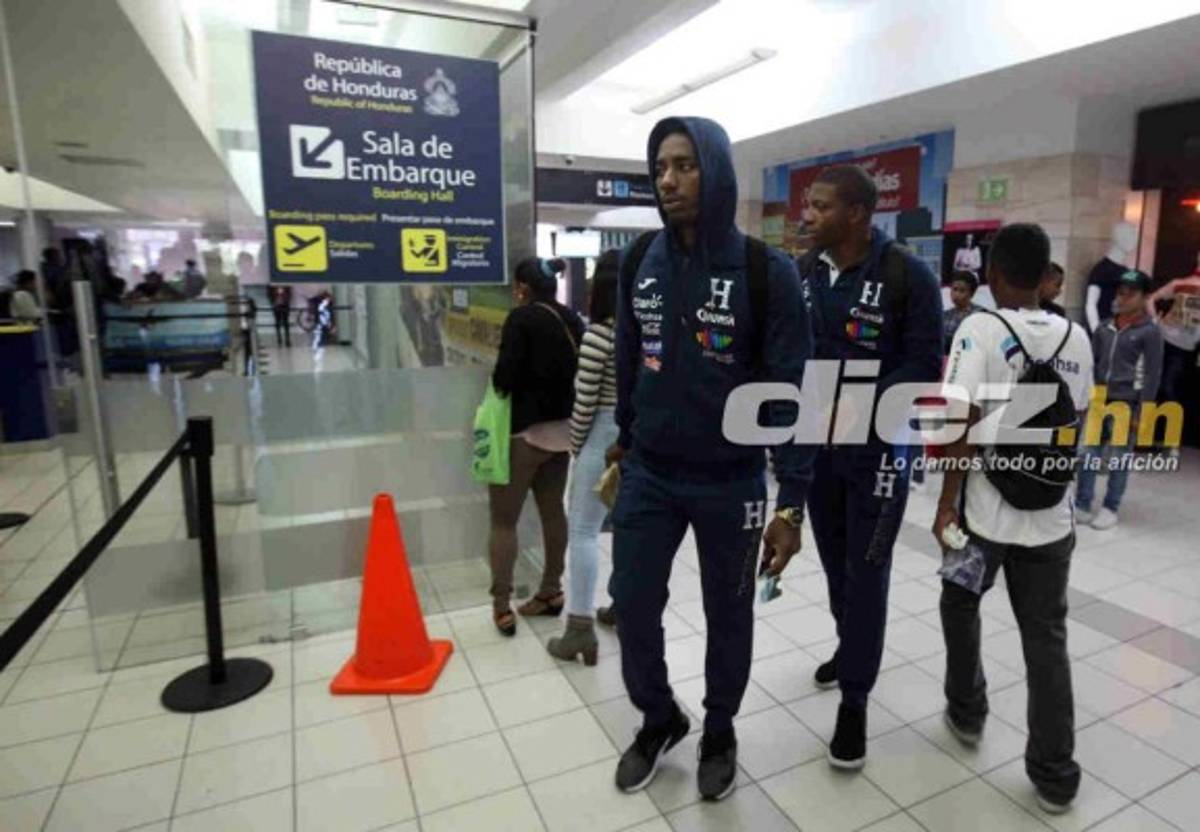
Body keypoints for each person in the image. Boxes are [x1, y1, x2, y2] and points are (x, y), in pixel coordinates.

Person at [608, 116, 813, 802]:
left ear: (716, 171)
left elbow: (794, 398)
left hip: (732, 480)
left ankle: (720, 728)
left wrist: (791, 502)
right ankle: (660, 715)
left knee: (729, 614)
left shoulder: (766, 271)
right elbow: (629, 363)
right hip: (651, 474)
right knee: (632, 601)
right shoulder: (639, 261)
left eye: (685, 165)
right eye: (660, 166)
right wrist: (624, 442)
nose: (668, 179)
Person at [935, 223, 1091, 816]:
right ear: (1047, 274)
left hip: (982, 519)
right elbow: (1074, 419)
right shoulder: (1076, 336)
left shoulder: (979, 327)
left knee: (959, 602)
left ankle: (967, 712)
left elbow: (958, 421)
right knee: (1046, 639)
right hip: (1053, 521)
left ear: (994, 274)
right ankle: (1055, 774)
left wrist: (948, 502)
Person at [796, 164, 942, 770]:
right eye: (808, 204)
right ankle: (847, 645)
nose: (806, 215)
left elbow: (924, 365)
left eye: (820, 206)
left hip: (878, 457)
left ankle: (854, 699)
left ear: (857, 214)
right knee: (835, 566)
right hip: (816, 453)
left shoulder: (908, 275)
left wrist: (860, 403)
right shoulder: (800, 274)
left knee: (868, 572)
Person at [488, 257, 583, 637]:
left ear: (523, 288)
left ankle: (501, 607)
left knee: (503, 521)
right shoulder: (572, 319)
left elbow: (503, 378)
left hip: (523, 437)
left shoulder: (521, 319)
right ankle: (550, 592)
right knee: (552, 514)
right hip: (561, 435)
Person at [547, 249, 621, 665]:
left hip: (603, 433)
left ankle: (579, 628)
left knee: (584, 531)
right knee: (628, 527)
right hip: (638, 437)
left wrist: (577, 446)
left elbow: (585, 400)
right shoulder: (649, 331)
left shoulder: (600, 335)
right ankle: (623, 607)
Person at [1075, 269, 1164, 529]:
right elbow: (1092, 365)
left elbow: (1152, 374)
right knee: (1087, 454)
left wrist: (1143, 413)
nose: (1123, 298)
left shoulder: (1150, 332)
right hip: (1100, 400)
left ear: (1144, 297)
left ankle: (1110, 506)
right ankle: (1082, 504)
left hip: (1128, 404)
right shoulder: (1104, 327)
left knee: (1119, 457)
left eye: (1131, 293)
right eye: (1120, 292)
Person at [1145, 253, 1200, 409]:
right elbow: (1150, 299)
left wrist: (1156, 322)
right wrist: (1156, 321)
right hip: (1176, 343)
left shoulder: (1179, 284)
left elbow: (1150, 299)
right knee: (1170, 389)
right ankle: (1163, 426)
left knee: (1170, 387)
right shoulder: (1180, 284)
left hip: (1177, 342)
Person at [943, 270, 981, 354]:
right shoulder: (945, 315)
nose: (956, 294)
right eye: (954, 289)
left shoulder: (979, 315)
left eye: (962, 291)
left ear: (971, 294)